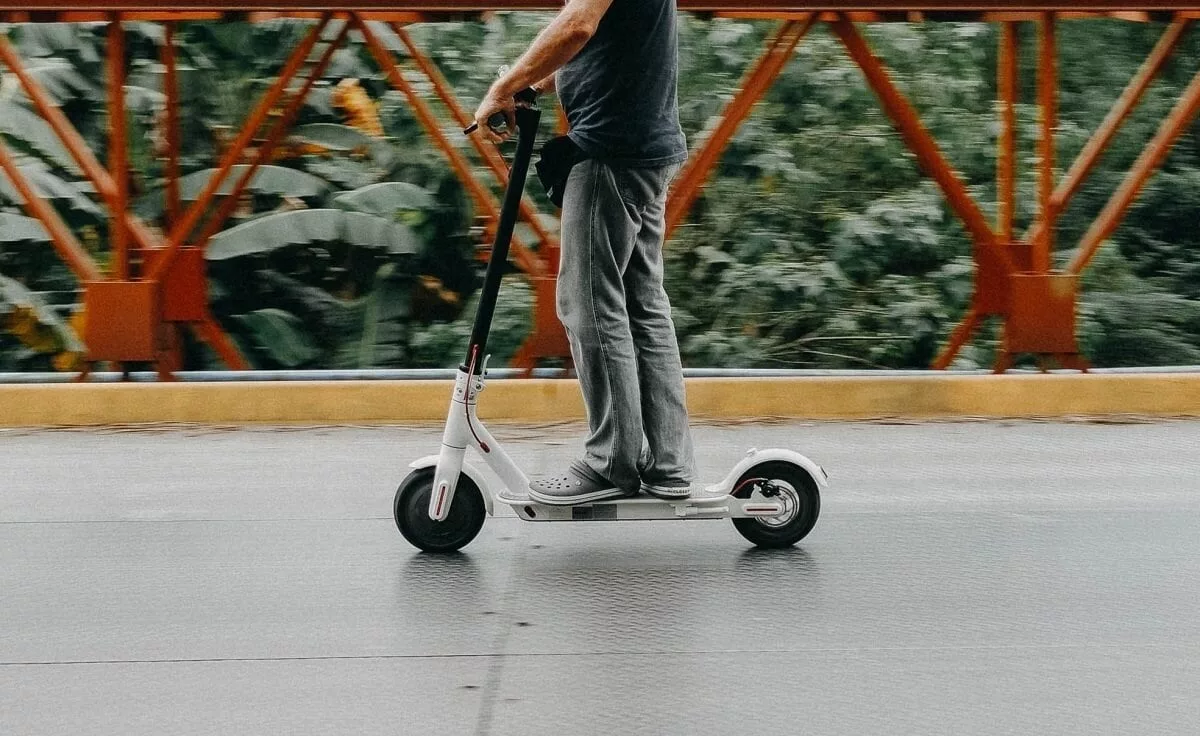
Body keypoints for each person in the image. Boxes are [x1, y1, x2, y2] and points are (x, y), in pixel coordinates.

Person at [472, 0, 694, 506]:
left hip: (611, 154)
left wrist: (503, 89)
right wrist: (531, 83)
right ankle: (668, 466)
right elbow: (595, 41)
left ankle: (611, 462)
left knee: (588, 304)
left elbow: (577, 26)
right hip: (644, 149)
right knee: (643, 307)